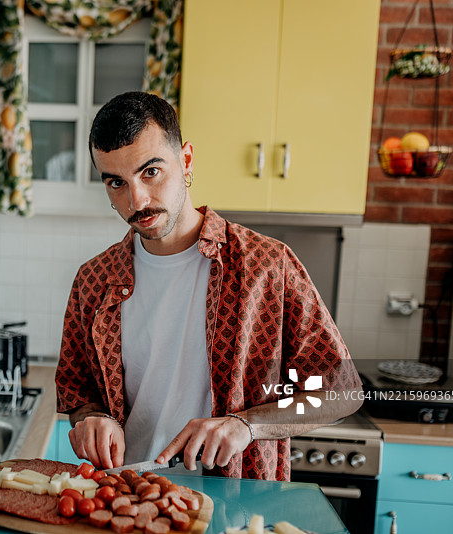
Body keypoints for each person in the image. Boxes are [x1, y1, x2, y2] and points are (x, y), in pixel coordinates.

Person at [54, 91, 362, 481]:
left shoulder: (267, 266)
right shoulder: (94, 280)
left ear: (185, 161)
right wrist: (91, 418)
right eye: (116, 182)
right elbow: (78, 392)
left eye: (151, 172)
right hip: (128, 494)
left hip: (236, 499)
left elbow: (342, 393)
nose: (137, 201)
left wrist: (247, 425)